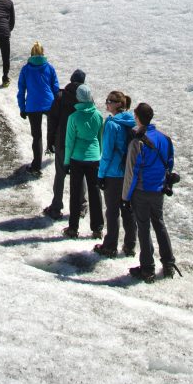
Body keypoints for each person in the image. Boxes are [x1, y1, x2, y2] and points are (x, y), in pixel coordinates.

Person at [122, 102, 180, 283]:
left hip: (141, 191)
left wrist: (125, 197)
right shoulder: (165, 139)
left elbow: (132, 173)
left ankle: (147, 268)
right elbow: (169, 164)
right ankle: (169, 263)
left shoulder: (137, 142)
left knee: (144, 228)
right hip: (159, 190)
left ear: (138, 118)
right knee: (159, 224)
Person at [94, 92, 137, 258]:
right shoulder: (132, 122)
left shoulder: (112, 124)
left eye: (109, 101)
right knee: (128, 210)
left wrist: (101, 174)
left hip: (113, 174)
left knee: (112, 211)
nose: (106, 104)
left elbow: (107, 153)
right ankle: (130, 246)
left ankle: (110, 245)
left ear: (117, 104)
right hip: (129, 173)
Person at [43, 69, 87, 220]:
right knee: (79, 175)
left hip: (62, 142)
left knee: (60, 174)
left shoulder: (60, 96)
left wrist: (50, 142)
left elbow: (52, 120)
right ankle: (81, 206)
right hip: (80, 143)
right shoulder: (87, 99)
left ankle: (56, 207)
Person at [63, 85, 104, 240]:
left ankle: (73, 227)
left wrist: (66, 162)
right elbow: (100, 138)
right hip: (94, 158)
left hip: (77, 158)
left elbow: (69, 141)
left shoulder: (74, 117)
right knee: (95, 192)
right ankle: (98, 228)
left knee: (75, 193)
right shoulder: (98, 115)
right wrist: (99, 155)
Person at [17, 42, 59, 175]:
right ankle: (52, 148)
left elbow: (21, 90)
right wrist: (56, 104)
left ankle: (36, 166)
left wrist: (22, 108)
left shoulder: (25, 69)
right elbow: (55, 87)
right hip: (49, 103)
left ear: (31, 54)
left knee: (37, 136)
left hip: (33, 105)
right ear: (43, 53)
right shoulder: (49, 67)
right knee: (53, 130)